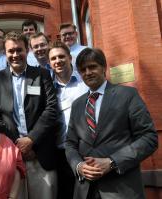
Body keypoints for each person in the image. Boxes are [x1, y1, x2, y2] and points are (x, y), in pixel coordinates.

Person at [65, 48, 158, 199]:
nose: (88, 72)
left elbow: (149, 138)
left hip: (122, 188)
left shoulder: (127, 95)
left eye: (92, 66)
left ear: (104, 67)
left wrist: (112, 162)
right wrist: (79, 166)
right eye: (83, 69)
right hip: (86, 190)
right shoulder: (77, 104)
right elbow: (70, 143)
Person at [0, 31, 59, 199]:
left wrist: (31, 140)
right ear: (5, 53)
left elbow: (51, 109)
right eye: (11, 51)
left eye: (19, 50)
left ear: (27, 50)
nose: (15, 55)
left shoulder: (42, 74)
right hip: (10, 155)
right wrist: (17, 145)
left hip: (41, 154)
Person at [48, 41, 88, 199]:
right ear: (50, 63)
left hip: (88, 150)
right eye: (53, 58)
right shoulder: (49, 89)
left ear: (70, 57)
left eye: (61, 56)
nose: (57, 61)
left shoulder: (85, 82)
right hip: (63, 154)